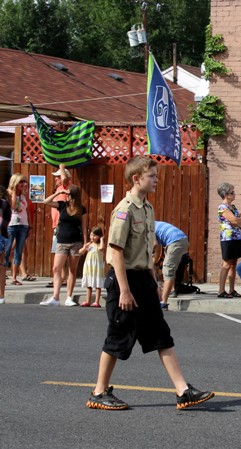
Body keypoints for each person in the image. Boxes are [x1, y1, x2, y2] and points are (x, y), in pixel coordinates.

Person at [86, 156, 214, 411]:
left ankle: (183, 391)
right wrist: (124, 290)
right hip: (125, 280)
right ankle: (99, 392)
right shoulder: (124, 210)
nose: (156, 180)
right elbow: (116, 252)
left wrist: (153, 280)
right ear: (137, 179)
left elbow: (147, 250)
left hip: (143, 279)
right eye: (152, 176)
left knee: (160, 334)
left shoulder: (147, 208)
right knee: (119, 335)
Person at [40, 184, 87, 307]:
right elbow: (46, 202)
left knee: (72, 270)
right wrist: (59, 193)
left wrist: (85, 243)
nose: (67, 196)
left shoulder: (81, 209)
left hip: (76, 242)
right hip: (61, 241)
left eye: (69, 194)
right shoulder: (62, 205)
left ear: (74, 195)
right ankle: (55, 296)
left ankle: (69, 297)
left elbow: (84, 226)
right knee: (56, 268)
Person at [217, 182, 241, 298]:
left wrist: (238, 220)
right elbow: (234, 220)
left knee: (233, 264)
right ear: (226, 194)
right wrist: (238, 220)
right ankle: (221, 290)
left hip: (236, 238)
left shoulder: (232, 207)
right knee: (227, 263)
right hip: (227, 239)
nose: (234, 194)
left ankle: (232, 289)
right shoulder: (222, 207)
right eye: (232, 193)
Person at [153, 221, 189, 309]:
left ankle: (163, 302)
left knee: (167, 270)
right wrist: (154, 261)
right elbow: (157, 247)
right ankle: (172, 290)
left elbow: (154, 244)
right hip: (182, 239)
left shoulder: (148, 227)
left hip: (175, 242)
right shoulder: (154, 224)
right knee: (171, 268)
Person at [46, 165, 71, 288]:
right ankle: (61, 277)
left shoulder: (65, 187)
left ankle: (62, 277)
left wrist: (62, 167)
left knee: (59, 252)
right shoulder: (58, 189)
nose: (56, 179)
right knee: (57, 251)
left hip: (61, 226)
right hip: (56, 225)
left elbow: (65, 179)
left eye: (57, 177)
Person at [5, 174, 30, 285]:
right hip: (12, 224)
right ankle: (3, 274)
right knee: (7, 249)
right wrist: (15, 192)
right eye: (21, 182)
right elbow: (14, 206)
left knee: (18, 251)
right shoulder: (9, 194)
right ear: (15, 182)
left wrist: (29, 226)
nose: (23, 184)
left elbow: (26, 210)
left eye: (24, 182)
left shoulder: (24, 195)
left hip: (23, 224)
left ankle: (14, 277)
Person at [79, 226, 105, 307]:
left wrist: (102, 240)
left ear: (99, 236)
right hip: (89, 266)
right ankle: (88, 301)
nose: (92, 237)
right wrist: (84, 247)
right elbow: (80, 252)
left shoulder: (99, 245)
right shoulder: (89, 244)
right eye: (91, 235)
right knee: (89, 284)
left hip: (97, 267)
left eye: (95, 235)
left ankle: (97, 301)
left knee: (97, 285)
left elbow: (101, 248)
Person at [0, 186, 10, 304]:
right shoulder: (6, 205)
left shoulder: (3, 204)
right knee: (2, 268)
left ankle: (1, 296)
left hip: (1, 236)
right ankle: (1, 296)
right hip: (4, 236)